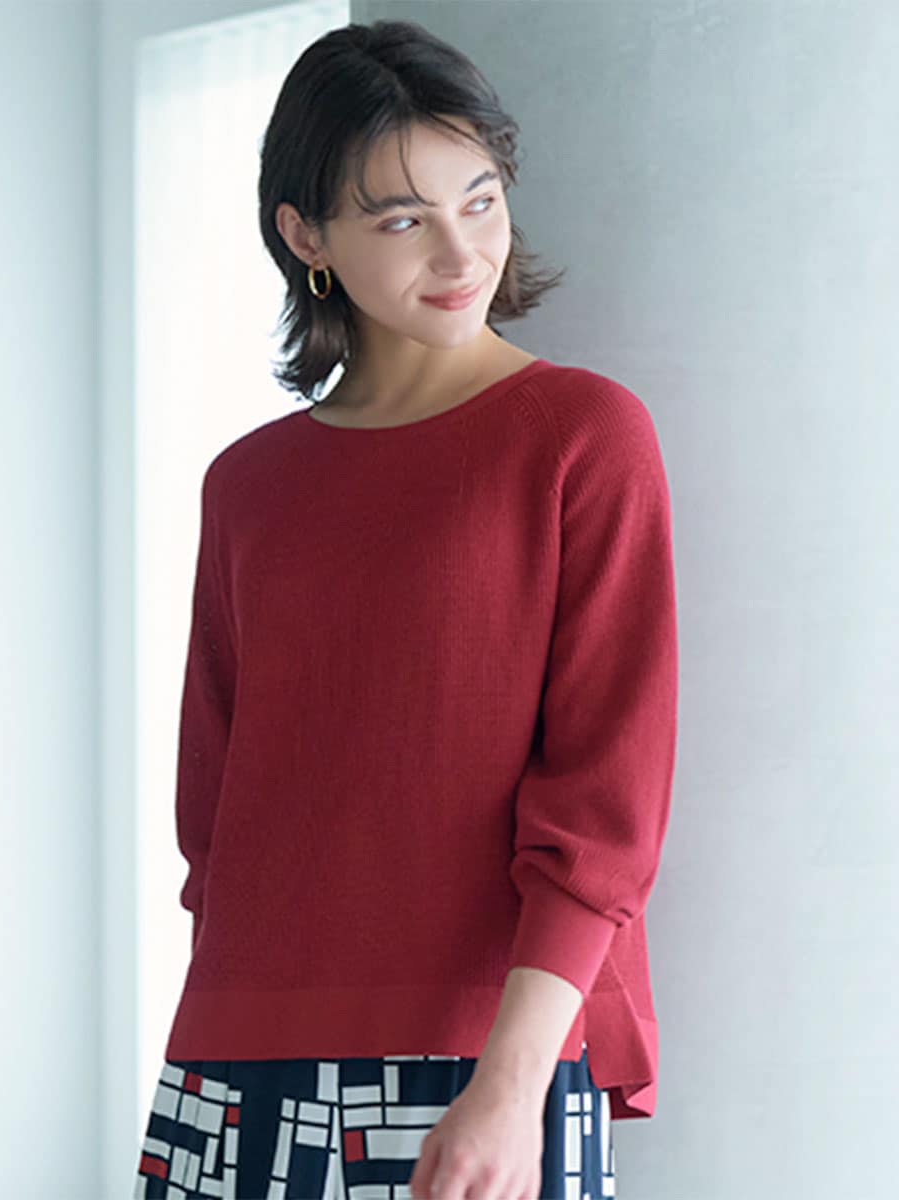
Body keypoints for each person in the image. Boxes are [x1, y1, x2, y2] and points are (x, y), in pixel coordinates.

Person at [132, 18, 678, 1200]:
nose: (459, 251)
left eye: (479, 200)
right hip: (237, 1057)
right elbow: (214, 811)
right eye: (401, 220)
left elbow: (606, 800)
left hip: (488, 1057)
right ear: (306, 237)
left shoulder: (582, 437)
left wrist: (510, 1084)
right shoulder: (248, 486)